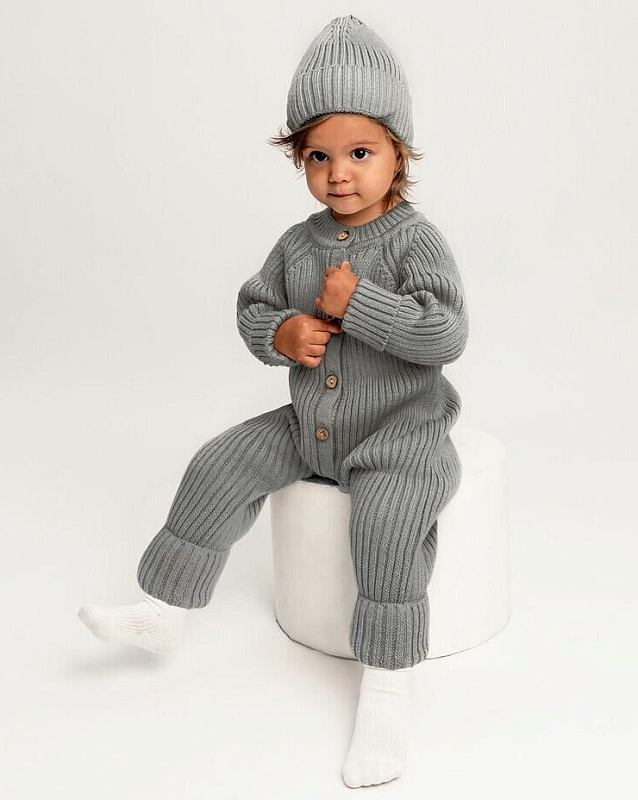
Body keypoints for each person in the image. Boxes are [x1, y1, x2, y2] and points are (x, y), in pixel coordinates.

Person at [78, 15, 469, 789]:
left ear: (399, 152)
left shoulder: (414, 241)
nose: (339, 174)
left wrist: (361, 305)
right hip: (310, 426)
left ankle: (388, 685)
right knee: (219, 463)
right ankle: (165, 611)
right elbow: (253, 306)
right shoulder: (297, 243)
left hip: (399, 433)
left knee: (387, 525)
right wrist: (283, 332)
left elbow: (446, 332)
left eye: (360, 153)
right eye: (319, 156)